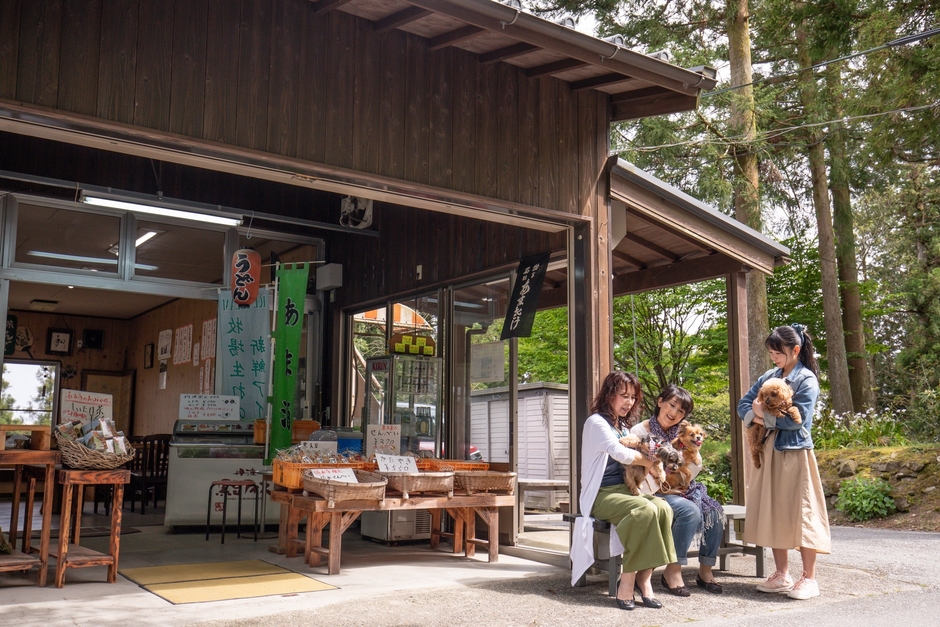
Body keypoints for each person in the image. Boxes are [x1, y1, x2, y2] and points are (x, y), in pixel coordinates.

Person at [737, 324, 831, 600]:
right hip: (768, 453)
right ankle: (781, 574)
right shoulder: (769, 376)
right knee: (775, 510)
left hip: (794, 453)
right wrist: (758, 415)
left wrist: (759, 413)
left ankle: (809, 578)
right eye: (770, 352)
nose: (773, 358)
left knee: (802, 512)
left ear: (796, 350)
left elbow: (796, 422)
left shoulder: (807, 380)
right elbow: (744, 404)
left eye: (777, 352)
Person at [570, 371, 677, 611]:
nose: (628, 402)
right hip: (601, 494)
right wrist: (649, 463)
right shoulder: (596, 422)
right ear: (609, 395)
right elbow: (620, 453)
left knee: (663, 508)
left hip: (625, 491)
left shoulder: (623, 426)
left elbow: (638, 451)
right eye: (623, 396)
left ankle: (644, 578)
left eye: (633, 397)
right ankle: (628, 582)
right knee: (644, 510)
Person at [631, 385, 725, 596]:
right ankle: (673, 571)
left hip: (681, 488)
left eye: (681, 411)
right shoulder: (640, 431)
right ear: (660, 402)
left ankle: (705, 571)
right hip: (652, 491)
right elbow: (636, 468)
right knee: (689, 511)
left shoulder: (684, 435)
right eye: (672, 405)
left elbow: (694, 470)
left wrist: (690, 464)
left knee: (714, 512)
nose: (674, 413)